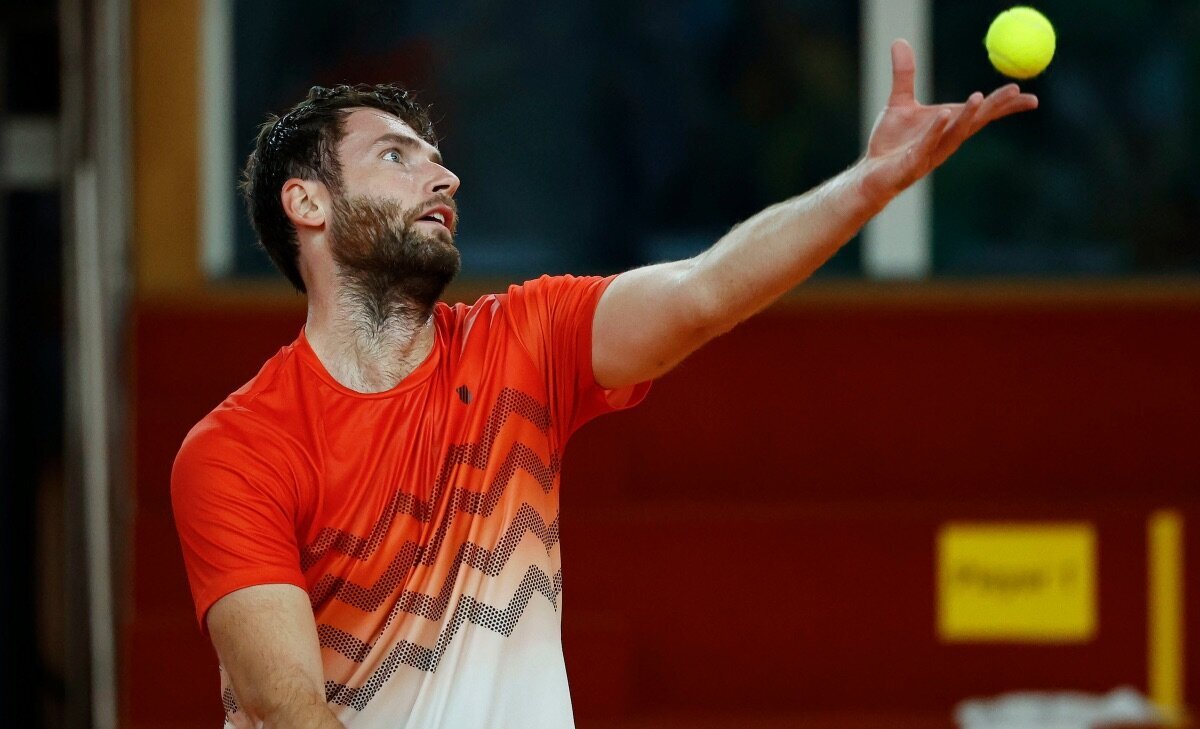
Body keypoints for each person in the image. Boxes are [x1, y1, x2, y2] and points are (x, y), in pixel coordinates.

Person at [171, 40, 1036, 729]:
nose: (444, 177)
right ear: (308, 205)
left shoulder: (523, 341)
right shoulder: (240, 449)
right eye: (396, 156)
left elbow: (703, 290)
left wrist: (867, 186)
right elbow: (288, 707)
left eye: (438, 159)